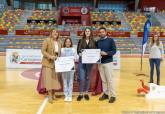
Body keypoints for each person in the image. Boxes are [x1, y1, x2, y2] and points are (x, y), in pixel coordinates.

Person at [37, 29, 62, 103]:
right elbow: (43, 51)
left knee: (55, 80)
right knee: (48, 80)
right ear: (51, 33)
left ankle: (54, 94)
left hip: (56, 64)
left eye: (57, 32)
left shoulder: (60, 42)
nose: (55, 33)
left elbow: (61, 52)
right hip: (47, 63)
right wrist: (50, 56)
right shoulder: (47, 40)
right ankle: (50, 95)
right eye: (54, 32)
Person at [96, 27, 117, 103]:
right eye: (100, 32)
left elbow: (114, 50)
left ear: (105, 32)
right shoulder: (98, 42)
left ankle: (113, 95)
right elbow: (96, 52)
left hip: (108, 62)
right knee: (104, 80)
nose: (101, 33)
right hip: (100, 63)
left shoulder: (110, 40)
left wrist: (107, 53)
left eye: (103, 32)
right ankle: (105, 94)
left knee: (110, 80)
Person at [77, 28, 96, 101]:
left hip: (90, 63)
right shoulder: (80, 41)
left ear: (90, 32)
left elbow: (95, 51)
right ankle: (80, 93)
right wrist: (80, 53)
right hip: (82, 61)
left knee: (88, 78)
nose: (87, 32)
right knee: (81, 78)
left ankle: (86, 93)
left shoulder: (94, 41)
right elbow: (78, 51)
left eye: (88, 31)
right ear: (84, 32)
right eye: (86, 31)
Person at [61, 37, 76, 102]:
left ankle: (70, 96)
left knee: (70, 82)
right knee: (65, 81)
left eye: (69, 41)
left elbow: (74, 59)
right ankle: (66, 95)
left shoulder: (73, 49)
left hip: (71, 68)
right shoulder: (62, 50)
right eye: (66, 41)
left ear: (70, 43)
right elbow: (60, 59)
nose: (68, 43)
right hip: (64, 68)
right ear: (65, 43)